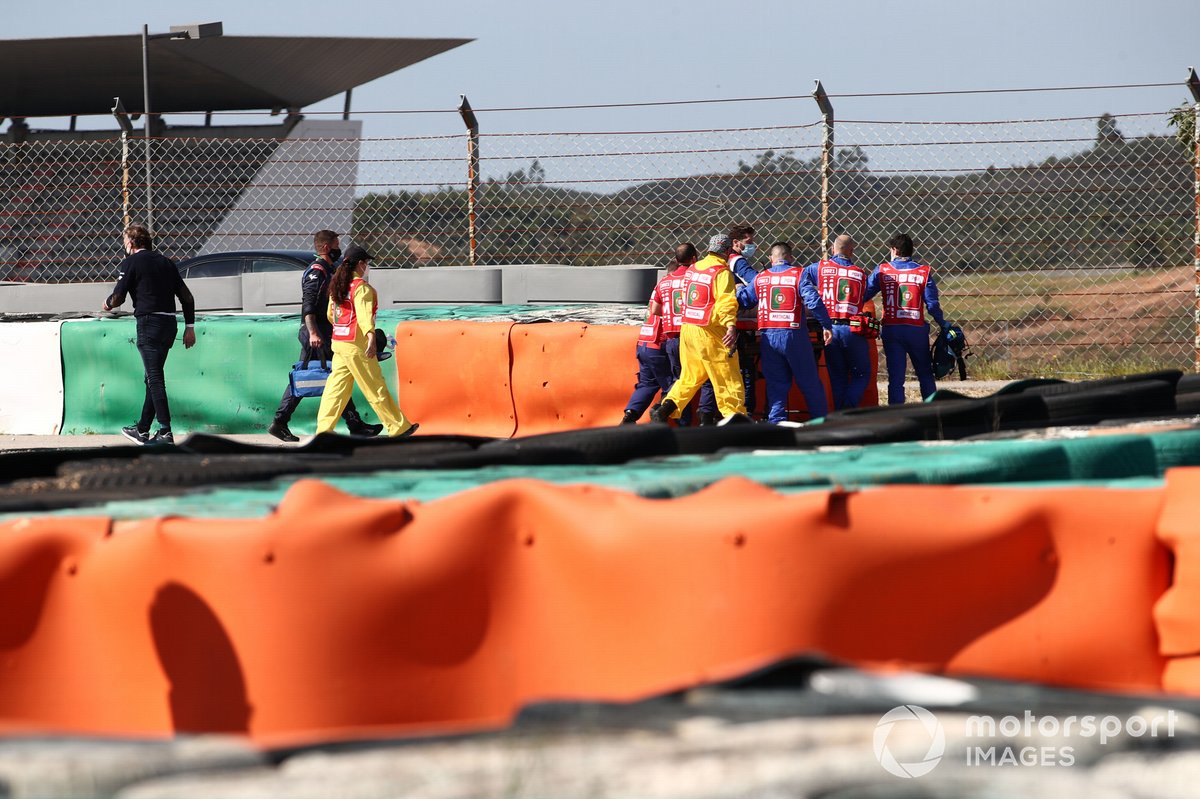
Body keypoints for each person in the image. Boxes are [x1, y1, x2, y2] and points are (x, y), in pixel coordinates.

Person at [268, 229, 382, 442]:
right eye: (337, 244)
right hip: (316, 333)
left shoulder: (331, 268)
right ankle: (280, 421)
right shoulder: (317, 271)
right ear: (327, 247)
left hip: (328, 332)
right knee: (311, 376)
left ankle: (354, 423)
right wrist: (312, 332)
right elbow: (308, 305)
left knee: (338, 376)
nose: (340, 248)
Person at [102, 224, 196, 446]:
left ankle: (165, 431)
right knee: (152, 377)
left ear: (131, 243)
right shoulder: (166, 262)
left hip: (148, 323)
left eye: (125, 241)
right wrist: (190, 327)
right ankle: (143, 429)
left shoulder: (131, 262)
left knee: (154, 378)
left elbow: (119, 297)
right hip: (169, 324)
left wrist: (107, 304)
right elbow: (187, 297)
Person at [315, 245, 418, 437]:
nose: (367, 267)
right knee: (374, 387)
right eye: (366, 263)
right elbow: (363, 316)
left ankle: (323, 432)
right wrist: (370, 336)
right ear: (361, 264)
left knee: (335, 391)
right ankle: (398, 427)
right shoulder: (361, 288)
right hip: (357, 345)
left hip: (339, 343)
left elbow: (331, 315)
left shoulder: (337, 285)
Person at [650, 234, 747, 423]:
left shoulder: (694, 268)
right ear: (727, 251)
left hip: (688, 329)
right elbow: (726, 301)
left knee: (690, 376)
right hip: (710, 332)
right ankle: (736, 419)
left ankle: (665, 407)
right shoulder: (721, 271)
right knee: (727, 377)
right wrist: (730, 325)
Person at [737, 242, 833, 423]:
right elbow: (812, 301)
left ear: (771, 259)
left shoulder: (760, 278)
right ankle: (821, 424)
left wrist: (738, 289)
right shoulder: (799, 274)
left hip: (768, 335)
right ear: (790, 257)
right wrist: (826, 325)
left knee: (776, 386)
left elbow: (743, 300)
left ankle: (776, 426)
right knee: (809, 383)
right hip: (794, 334)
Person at [863, 233, 949, 404]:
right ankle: (932, 412)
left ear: (894, 250)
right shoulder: (923, 271)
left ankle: (897, 416)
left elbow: (864, 293)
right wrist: (944, 324)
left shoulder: (882, 270)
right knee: (925, 374)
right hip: (916, 329)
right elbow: (932, 305)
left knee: (896, 378)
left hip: (892, 329)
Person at [801, 234, 873, 409]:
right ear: (852, 251)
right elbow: (864, 296)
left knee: (837, 376)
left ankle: (840, 414)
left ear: (833, 250)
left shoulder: (820, 267)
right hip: (853, 328)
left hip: (829, 328)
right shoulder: (860, 273)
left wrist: (813, 297)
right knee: (862, 373)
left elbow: (801, 279)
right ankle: (848, 407)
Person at [645, 242, 713, 426]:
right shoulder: (696, 278)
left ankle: (681, 422)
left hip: (672, 338)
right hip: (694, 334)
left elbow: (655, 309)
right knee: (705, 378)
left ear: (675, 260)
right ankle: (705, 418)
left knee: (680, 380)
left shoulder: (665, 281)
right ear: (694, 259)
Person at [619, 299, 673, 424]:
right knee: (673, 385)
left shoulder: (659, 286)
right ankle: (678, 423)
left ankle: (630, 415)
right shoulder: (680, 285)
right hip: (659, 343)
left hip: (644, 342)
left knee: (646, 384)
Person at [726, 224, 761, 418]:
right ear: (735, 243)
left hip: (723, 321)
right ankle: (747, 412)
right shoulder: (737, 261)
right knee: (746, 369)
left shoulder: (721, 261)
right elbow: (756, 281)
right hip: (738, 321)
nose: (753, 245)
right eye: (749, 241)